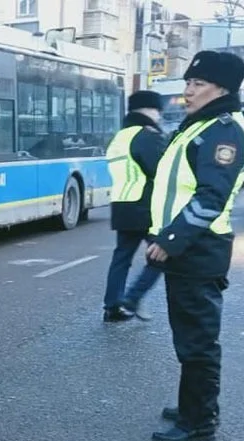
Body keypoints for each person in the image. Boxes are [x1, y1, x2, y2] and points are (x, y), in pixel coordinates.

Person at [144, 51, 244, 441]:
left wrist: (171, 240)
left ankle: (199, 422)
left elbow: (211, 196)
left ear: (221, 88)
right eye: (188, 83)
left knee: (197, 342)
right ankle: (192, 404)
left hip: (198, 248)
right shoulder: (200, 125)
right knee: (188, 337)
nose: (187, 92)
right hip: (190, 247)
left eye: (197, 84)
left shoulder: (223, 131)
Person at [102, 90, 169, 322]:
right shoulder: (147, 136)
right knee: (163, 255)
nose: (159, 116)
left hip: (122, 204)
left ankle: (112, 306)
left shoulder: (119, 137)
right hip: (146, 206)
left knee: (122, 258)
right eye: (158, 111)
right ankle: (133, 297)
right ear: (150, 110)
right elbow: (161, 171)